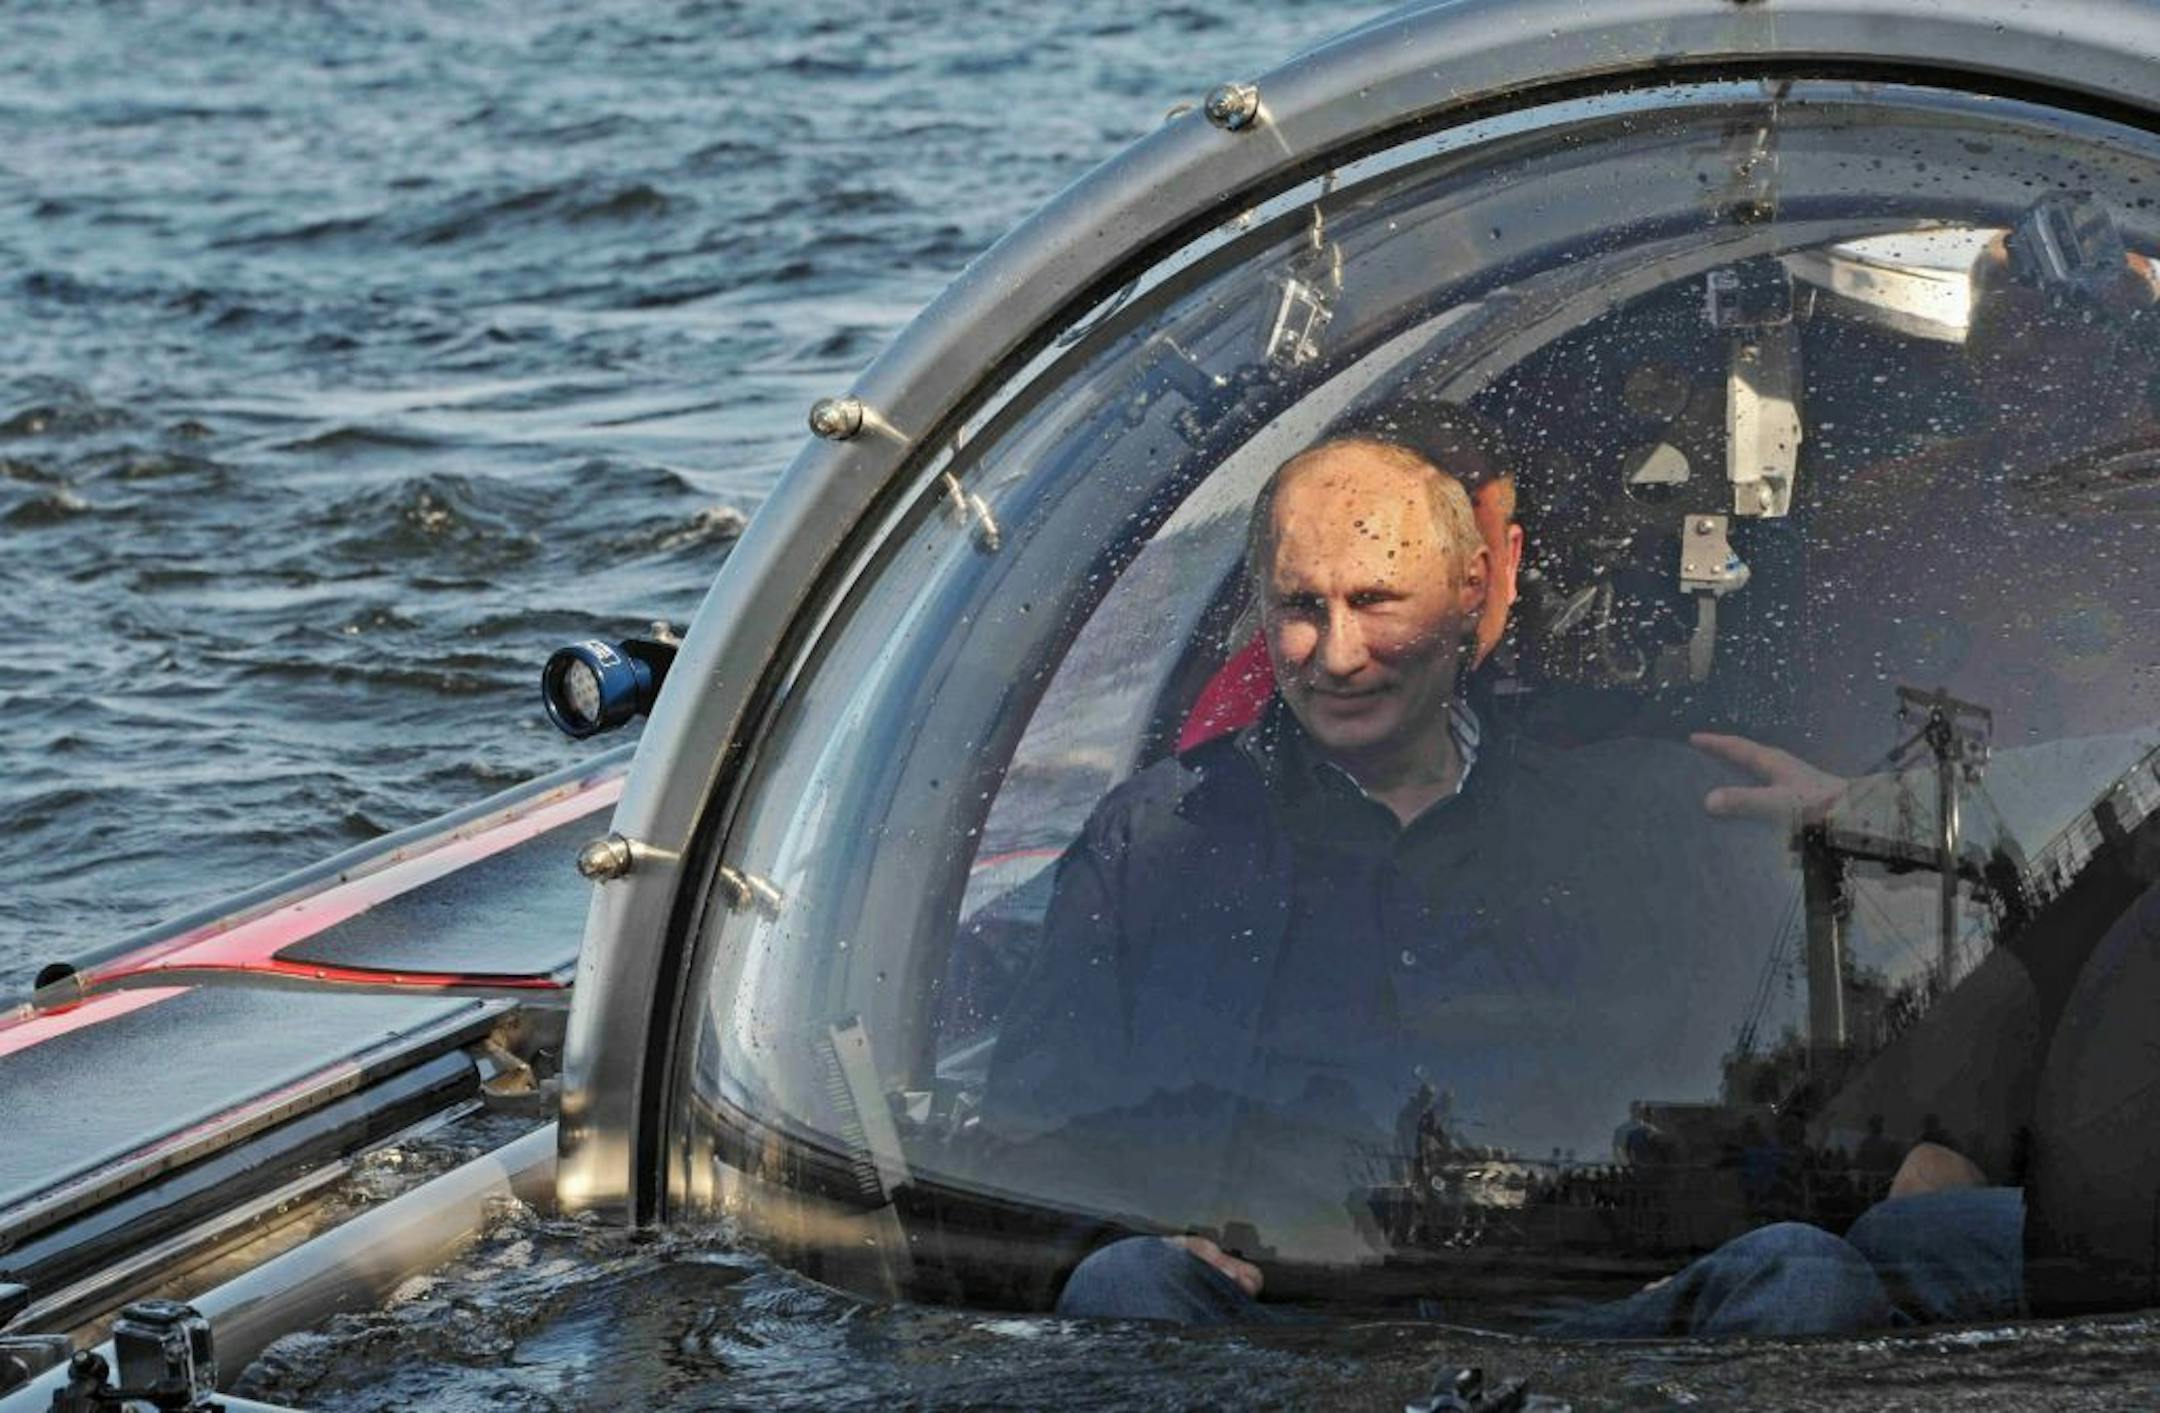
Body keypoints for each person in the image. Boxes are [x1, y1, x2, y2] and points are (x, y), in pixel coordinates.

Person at [979, 435, 1796, 1324]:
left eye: (1375, 601)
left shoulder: (1629, 823)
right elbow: (1028, 1136)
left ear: (1472, 589)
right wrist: (1105, 1239)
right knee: (1125, 1287)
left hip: (1593, 1321)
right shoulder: (1155, 838)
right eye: (1300, 606)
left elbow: (1756, 1087)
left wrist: (1687, 1239)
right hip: (1272, 1334)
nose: (1336, 654)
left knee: (1796, 1273)